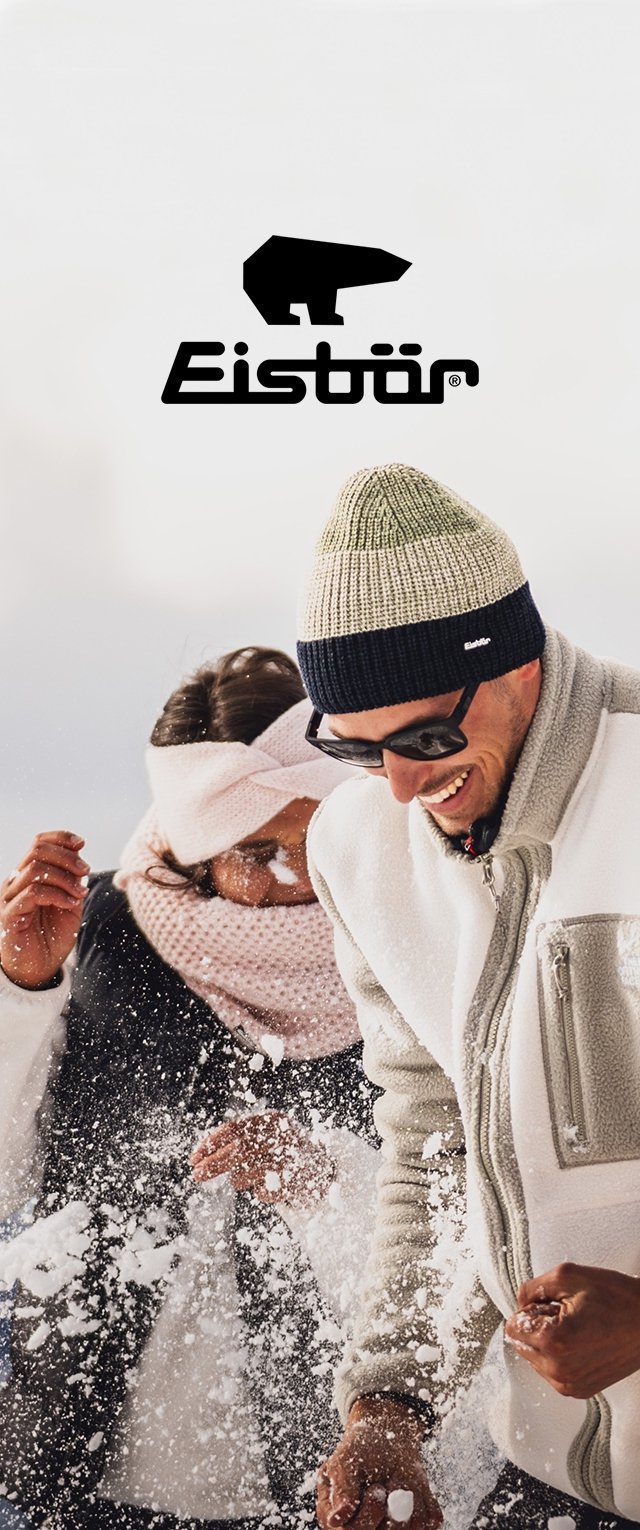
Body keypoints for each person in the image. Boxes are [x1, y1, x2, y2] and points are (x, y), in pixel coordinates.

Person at [294, 462, 640, 1529]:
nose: (398, 785)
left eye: (426, 739)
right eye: (352, 748)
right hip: (546, 1479)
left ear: (521, 669)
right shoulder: (356, 844)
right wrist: (388, 1405)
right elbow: (434, 1136)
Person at [0, 647, 379, 1530]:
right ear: (196, 852)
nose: (292, 882)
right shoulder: (92, 939)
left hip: (326, 1480)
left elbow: (459, 1219)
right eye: (253, 852)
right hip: (86, 1476)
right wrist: (20, 991)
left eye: (310, 839)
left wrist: (328, 1189)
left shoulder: (406, 953)